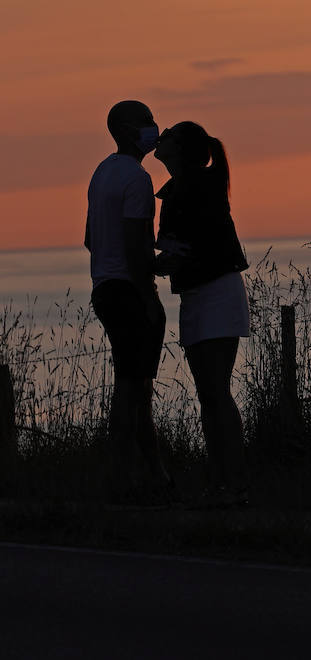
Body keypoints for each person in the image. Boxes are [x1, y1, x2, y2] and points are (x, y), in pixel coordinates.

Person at [153, 121, 251, 507]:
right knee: (210, 394)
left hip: (214, 291)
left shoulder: (192, 188)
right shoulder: (187, 187)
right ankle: (223, 481)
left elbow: (184, 249)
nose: (160, 139)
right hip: (200, 292)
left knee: (215, 392)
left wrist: (144, 264)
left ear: (180, 149)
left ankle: (233, 482)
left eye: (169, 135)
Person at [86, 99, 172, 502]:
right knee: (130, 388)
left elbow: (91, 238)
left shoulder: (102, 173)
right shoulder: (138, 180)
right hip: (127, 290)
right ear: (123, 130)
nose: (152, 127)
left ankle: (152, 476)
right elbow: (138, 245)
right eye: (144, 121)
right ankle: (119, 480)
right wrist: (148, 296)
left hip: (104, 287)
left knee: (136, 386)